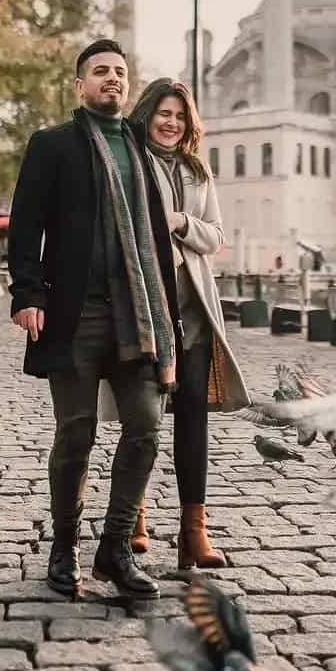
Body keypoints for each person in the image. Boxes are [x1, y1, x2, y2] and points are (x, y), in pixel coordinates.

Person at [7, 38, 180, 600]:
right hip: (75, 311)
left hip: (139, 314)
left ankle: (114, 547)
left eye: (120, 73)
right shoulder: (53, 145)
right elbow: (25, 223)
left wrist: (170, 321)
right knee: (76, 431)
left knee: (147, 429)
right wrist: (27, 293)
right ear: (79, 85)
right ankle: (63, 548)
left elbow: (155, 238)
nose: (113, 79)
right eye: (101, 72)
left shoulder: (142, 150)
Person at [104, 77, 250, 569]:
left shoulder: (197, 170)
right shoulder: (126, 161)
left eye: (180, 116)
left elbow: (216, 235)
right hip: (144, 308)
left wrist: (181, 222)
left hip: (194, 312)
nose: (171, 123)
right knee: (142, 418)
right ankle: (135, 517)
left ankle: (194, 531)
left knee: (193, 418)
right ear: (146, 114)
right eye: (163, 113)